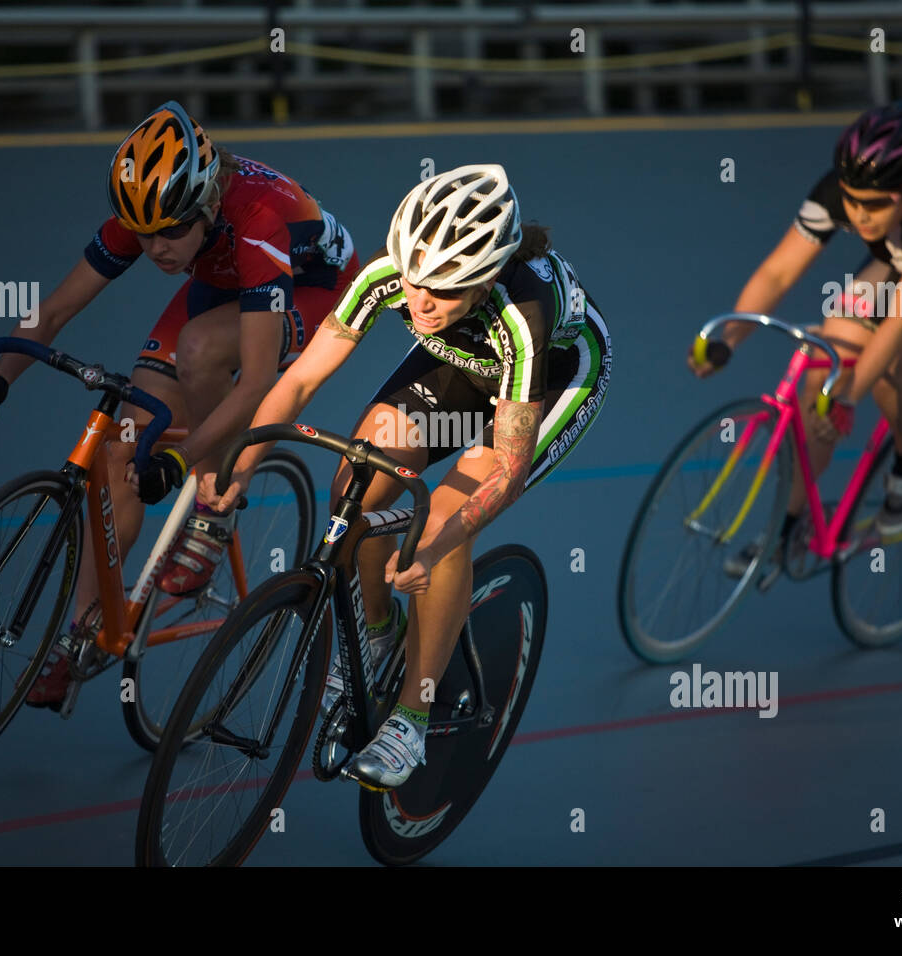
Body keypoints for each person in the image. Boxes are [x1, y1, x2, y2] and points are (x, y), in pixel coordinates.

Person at [200, 164, 612, 789]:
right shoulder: (394, 276)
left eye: (442, 291)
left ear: (484, 280)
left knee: (440, 523)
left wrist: (440, 542)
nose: (418, 302)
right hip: (457, 360)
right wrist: (244, 463)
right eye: (414, 281)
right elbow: (303, 378)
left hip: (549, 380)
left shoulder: (523, 311)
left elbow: (506, 466)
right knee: (358, 484)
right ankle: (379, 628)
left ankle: (411, 720)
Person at [0, 100, 360, 709]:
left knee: (200, 353)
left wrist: (184, 463)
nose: (156, 248)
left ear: (203, 207)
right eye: (142, 234)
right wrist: (0, 376)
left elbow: (254, 384)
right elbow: (57, 309)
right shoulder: (151, 211)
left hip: (313, 288)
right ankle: (83, 634)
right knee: (120, 443)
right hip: (224, 281)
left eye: (170, 231)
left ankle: (215, 505)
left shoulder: (258, 221)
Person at [692, 100, 902, 583]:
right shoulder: (840, 192)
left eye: (875, 205)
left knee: (899, 354)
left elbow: (898, 321)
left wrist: (850, 397)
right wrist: (729, 337)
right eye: (852, 201)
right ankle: (785, 529)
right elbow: (778, 271)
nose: (859, 215)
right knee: (823, 361)